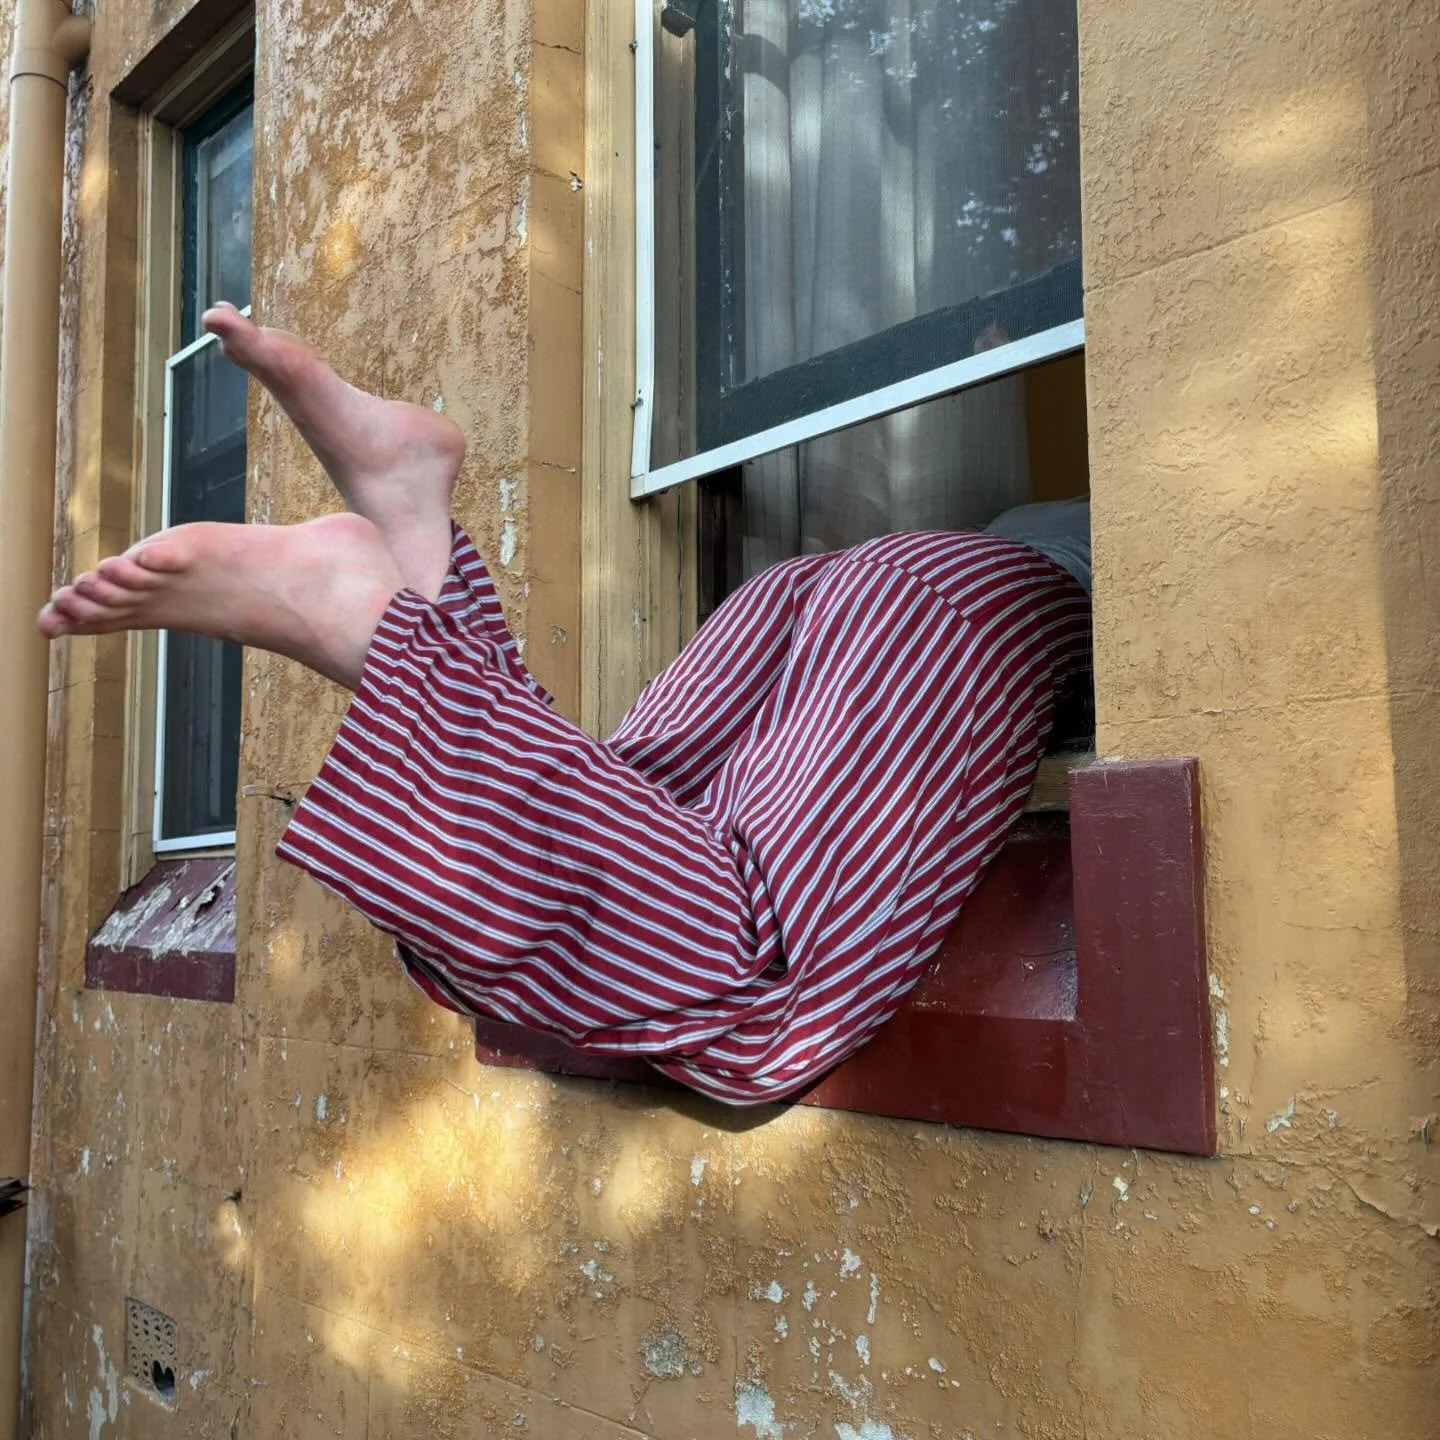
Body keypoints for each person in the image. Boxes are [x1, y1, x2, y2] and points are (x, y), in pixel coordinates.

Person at [39, 305, 1092, 1104]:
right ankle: (392, 613)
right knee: (753, 979)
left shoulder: (903, 572)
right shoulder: (1036, 556)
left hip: (839, 591)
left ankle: (421, 569)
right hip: (955, 595)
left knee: (657, 829)